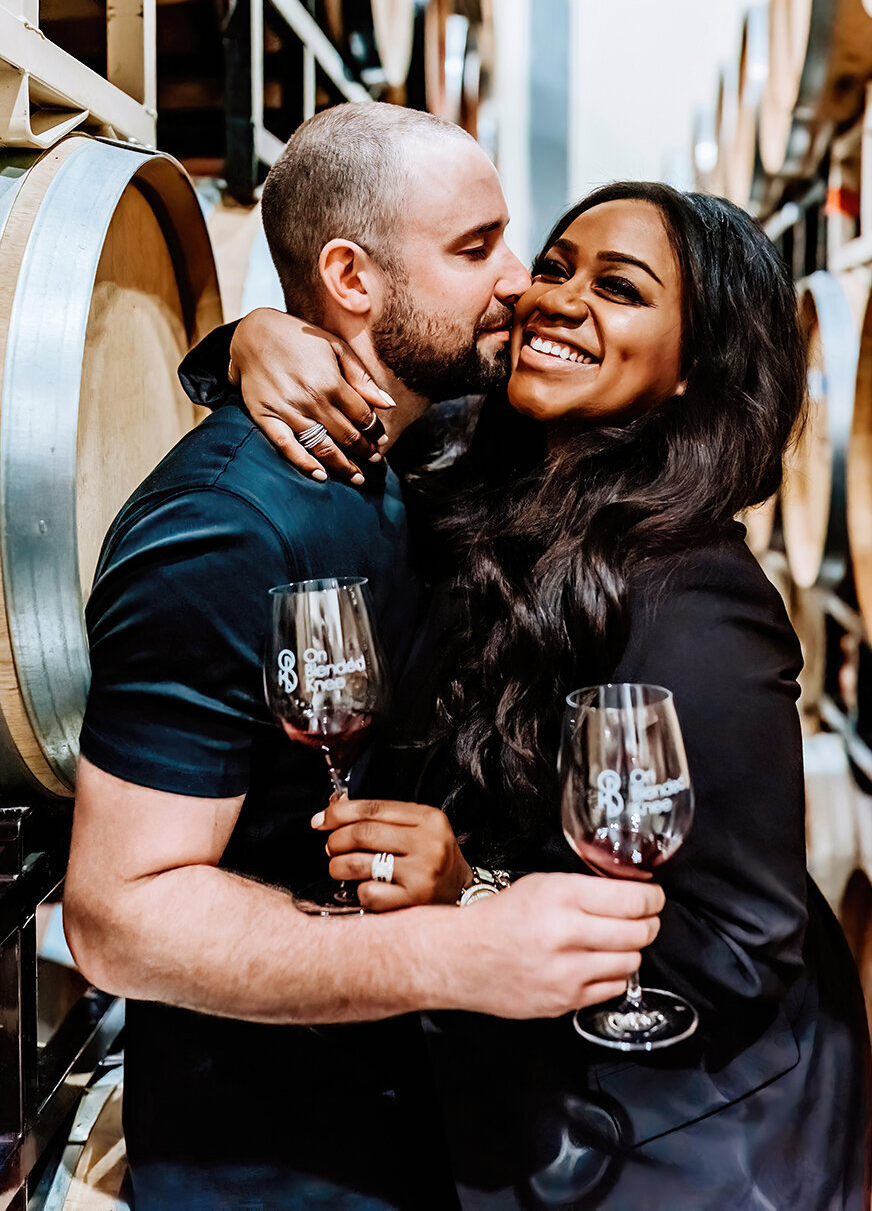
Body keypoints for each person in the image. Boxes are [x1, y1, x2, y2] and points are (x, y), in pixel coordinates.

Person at [217, 181, 872, 1210]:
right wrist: (250, 339)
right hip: (540, 1103)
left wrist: (470, 888)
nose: (557, 298)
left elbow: (743, 948)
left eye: (619, 288)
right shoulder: (491, 475)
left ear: (693, 367)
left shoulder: (693, 599)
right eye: (557, 266)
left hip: (684, 1144)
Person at [62, 107, 665, 1211]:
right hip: (269, 1159)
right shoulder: (225, 526)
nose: (518, 284)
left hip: (404, 1116)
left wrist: (243, 335)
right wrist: (454, 952)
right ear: (351, 276)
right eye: (474, 247)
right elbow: (117, 913)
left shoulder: (405, 446)